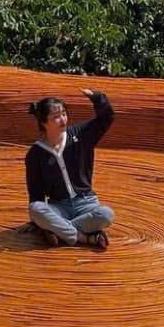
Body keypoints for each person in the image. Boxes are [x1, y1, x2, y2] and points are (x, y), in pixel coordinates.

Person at [25, 89, 115, 250]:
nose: (63, 120)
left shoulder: (80, 135)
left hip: (86, 203)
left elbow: (106, 118)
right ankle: (84, 237)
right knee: (36, 209)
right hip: (59, 207)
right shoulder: (35, 154)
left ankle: (56, 230)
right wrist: (36, 219)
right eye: (56, 117)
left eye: (64, 114)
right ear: (44, 122)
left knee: (106, 214)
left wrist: (97, 98)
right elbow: (36, 193)